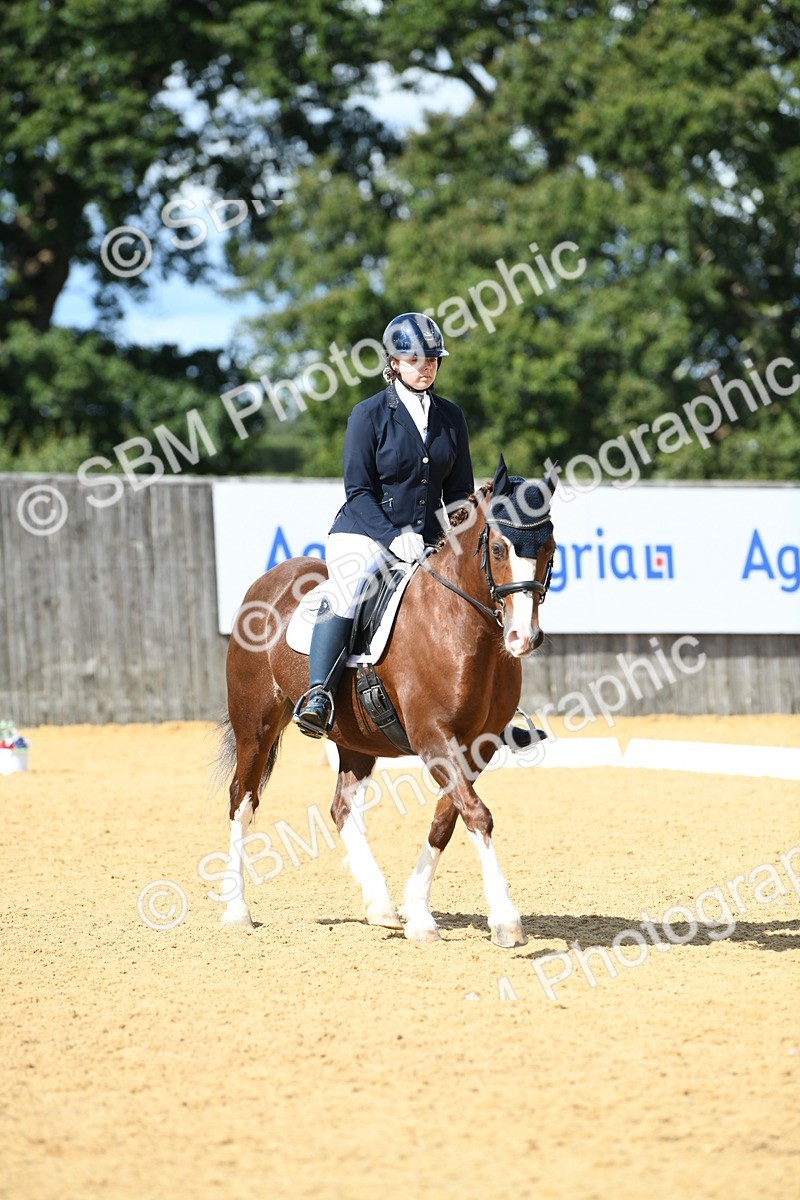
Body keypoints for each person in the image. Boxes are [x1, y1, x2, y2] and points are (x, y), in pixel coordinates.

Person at [292, 312, 474, 738]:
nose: (425, 366)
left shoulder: (452, 417)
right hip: (365, 532)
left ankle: (495, 709)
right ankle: (319, 694)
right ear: (393, 363)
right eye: (414, 359)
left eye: (432, 358)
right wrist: (394, 537)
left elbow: (461, 494)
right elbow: (358, 491)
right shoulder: (368, 414)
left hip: (428, 540)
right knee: (350, 588)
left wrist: (461, 543)